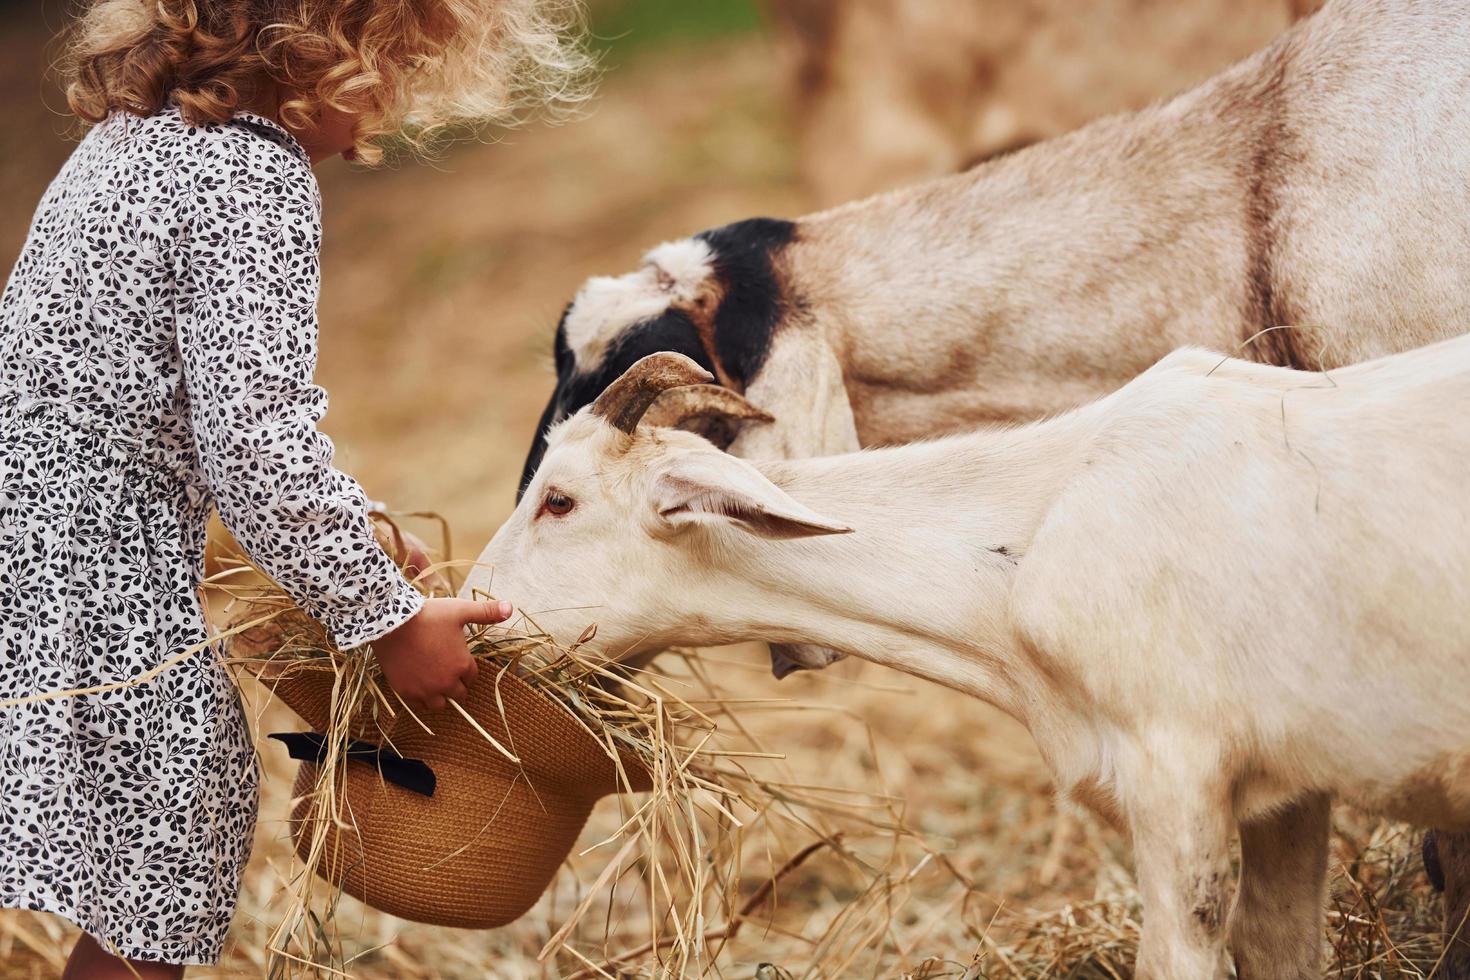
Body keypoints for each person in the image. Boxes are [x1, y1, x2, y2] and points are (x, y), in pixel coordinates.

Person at [0, 1, 591, 976]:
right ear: (338, 45)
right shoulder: (250, 175)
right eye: (398, 68)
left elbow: (178, 392)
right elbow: (257, 443)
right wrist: (387, 615)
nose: (384, 116)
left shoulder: (131, 139)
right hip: (94, 589)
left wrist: (349, 524)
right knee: (168, 830)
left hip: (33, 538)